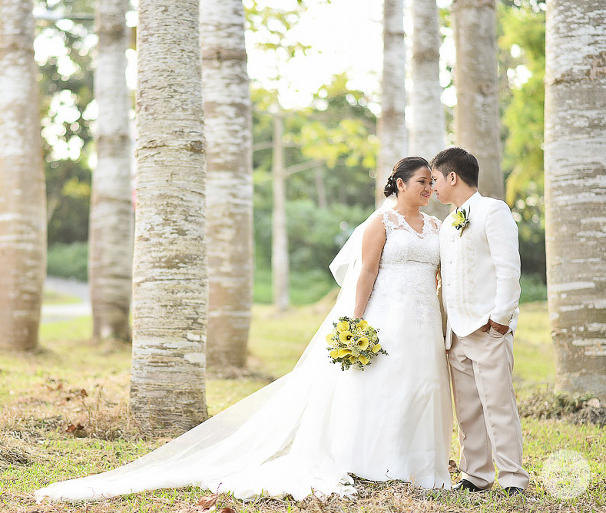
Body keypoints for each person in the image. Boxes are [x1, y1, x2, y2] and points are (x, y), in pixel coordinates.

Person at [35, 157, 452, 502]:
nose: (429, 189)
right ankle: (374, 461)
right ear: (399, 184)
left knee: (422, 384)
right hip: (383, 316)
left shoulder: (436, 228)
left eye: (432, 183)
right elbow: (367, 272)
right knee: (380, 384)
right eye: (422, 182)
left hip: (423, 320)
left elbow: (439, 275)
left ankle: (416, 463)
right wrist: (355, 322)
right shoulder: (382, 223)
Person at [430, 147, 529, 496]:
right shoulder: (447, 224)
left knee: (498, 405)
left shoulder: (492, 210)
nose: (433, 187)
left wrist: (500, 319)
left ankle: (513, 478)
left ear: (452, 177)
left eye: (436, 179)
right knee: (468, 409)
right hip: (455, 332)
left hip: (488, 328)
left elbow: (508, 269)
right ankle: (475, 474)